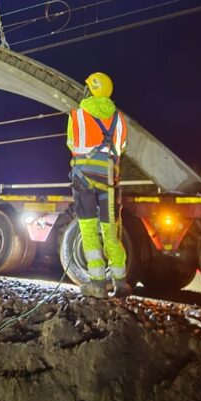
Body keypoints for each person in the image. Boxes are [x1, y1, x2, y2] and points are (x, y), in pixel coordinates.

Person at [67, 72, 131, 299]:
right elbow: (121, 147)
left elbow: (72, 144)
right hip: (109, 181)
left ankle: (97, 285)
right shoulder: (120, 119)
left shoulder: (77, 116)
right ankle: (120, 282)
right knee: (111, 230)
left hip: (84, 179)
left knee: (89, 229)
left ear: (91, 90)